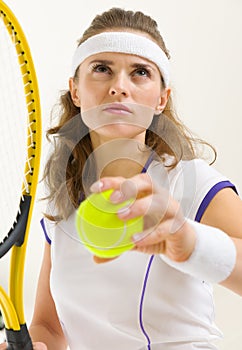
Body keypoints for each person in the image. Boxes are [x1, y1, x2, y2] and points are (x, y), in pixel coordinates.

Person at [1, 7, 242, 350]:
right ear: (75, 90)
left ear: (162, 98)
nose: (119, 88)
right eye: (101, 69)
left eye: (140, 72)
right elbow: (49, 328)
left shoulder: (194, 183)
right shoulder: (63, 199)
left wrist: (191, 241)